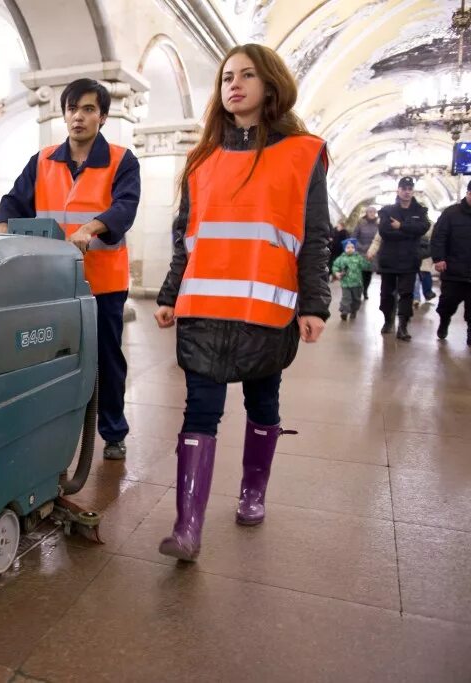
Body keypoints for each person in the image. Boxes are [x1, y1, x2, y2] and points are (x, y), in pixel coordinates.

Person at [153, 43, 330, 562]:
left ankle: (253, 491)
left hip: (265, 311)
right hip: (204, 308)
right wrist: (169, 294)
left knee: (263, 404)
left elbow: (314, 235)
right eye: (227, 76)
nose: (233, 84)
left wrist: (313, 304)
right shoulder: (201, 160)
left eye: (247, 75)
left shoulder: (303, 153)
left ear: (270, 84)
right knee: (199, 409)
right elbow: (184, 235)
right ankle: (187, 527)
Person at [0, 77, 141, 461]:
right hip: (52, 281)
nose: (79, 117)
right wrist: (3, 229)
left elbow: (124, 208)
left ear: (103, 117)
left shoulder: (121, 160)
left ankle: (113, 431)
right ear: (64, 114)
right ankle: (50, 425)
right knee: (48, 354)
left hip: (102, 283)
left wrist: (91, 227)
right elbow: (12, 201)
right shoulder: (42, 161)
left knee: (106, 358)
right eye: (73, 109)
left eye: (89, 109)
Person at [377, 176, 430, 341]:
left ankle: (403, 326)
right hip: (389, 260)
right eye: (404, 189)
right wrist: (410, 233)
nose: (407, 192)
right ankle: (388, 320)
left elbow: (423, 228)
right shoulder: (387, 211)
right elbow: (385, 231)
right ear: (398, 190)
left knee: (407, 294)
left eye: (409, 189)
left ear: (412, 191)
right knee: (386, 294)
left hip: (409, 260)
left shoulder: (420, 211)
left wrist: (401, 226)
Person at [431, 179, 471, 345]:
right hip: (454, 270)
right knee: (448, 303)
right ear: (468, 193)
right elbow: (439, 237)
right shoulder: (450, 213)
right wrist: (439, 258)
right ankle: (444, 320)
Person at [332, 238, 369, 320]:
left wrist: (367, 261)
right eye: (348, 247)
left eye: (352, 247)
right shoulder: (341, 258)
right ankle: (344, 312)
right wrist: (336, 273)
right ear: (344, 249)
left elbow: (365, 266)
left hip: (357, 283)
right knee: (346, 298)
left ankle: (353, 310)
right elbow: (335, 266)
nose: (350, 249)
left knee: (356, 299)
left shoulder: (358, 257)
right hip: (346, 283)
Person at [352, 205, 379, 299]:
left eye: (373, 212)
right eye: (370, 212)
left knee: (368, 274)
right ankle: (359, 291)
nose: (372, 213)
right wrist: (360, 246)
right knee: (360, 273)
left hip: (372, 253)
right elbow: (354, 237)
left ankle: (365, 290)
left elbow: (379, 238)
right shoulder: (360, 224)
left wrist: (372, 248)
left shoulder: (378, 225)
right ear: (366, 213)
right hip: (360, 251)